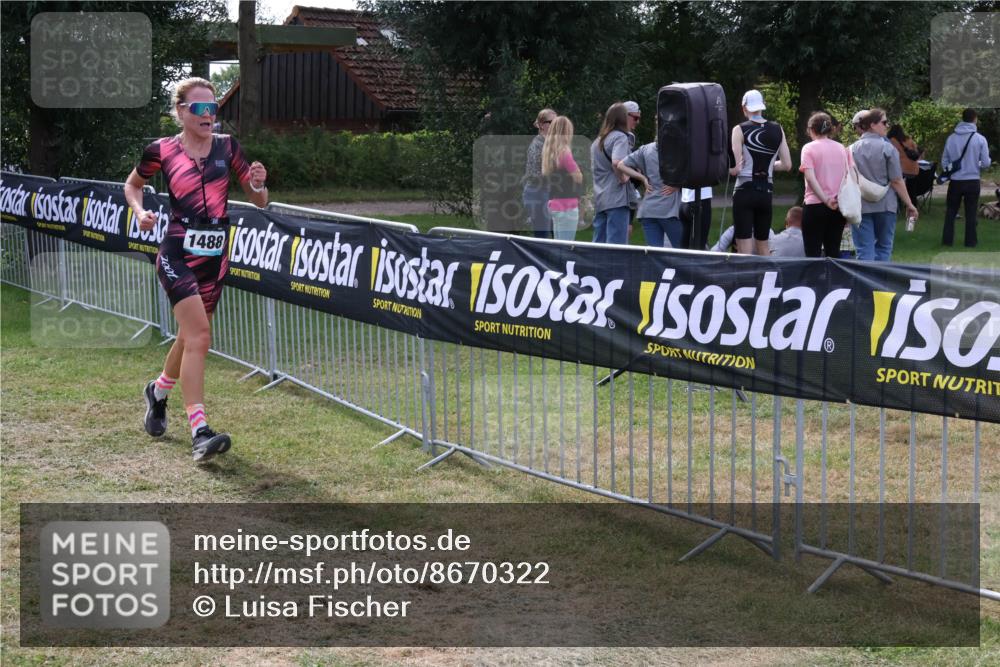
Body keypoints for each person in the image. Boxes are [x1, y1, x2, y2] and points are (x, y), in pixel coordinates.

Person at [124, 77, 268, 462]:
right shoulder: (161, 150)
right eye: (200, 109)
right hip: (177, 253)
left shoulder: (227, 147)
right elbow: (133, 185)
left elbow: (260, 202)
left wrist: (258, 185)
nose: (209, 116)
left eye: (214, 108)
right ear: (181, 112)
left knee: (189, 338)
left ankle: (158, 391)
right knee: (201, 336)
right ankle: (200, 431)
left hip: (215, 256)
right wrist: (140, 213)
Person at [729, 89, 793, 255]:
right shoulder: (778, 129)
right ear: (761, 107)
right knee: (763, 245)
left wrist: (727, 168)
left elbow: (736, 168)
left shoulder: (739, 129)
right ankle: (768, 280)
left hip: (744, 191)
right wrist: (768, 166)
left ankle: (746, 280)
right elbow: (787, 165)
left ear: (745, 108)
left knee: (744, 247)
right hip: (766, 192)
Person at [850, 108, 919, 261]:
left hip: (860, 206)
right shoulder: (888, 148)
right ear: (873, 125)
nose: (887, 126)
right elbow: (896, 180)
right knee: (884, 248)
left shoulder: (851, 150)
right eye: (884, 122)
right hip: (886, 205)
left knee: (863, 250)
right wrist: (909, 204)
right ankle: (879, 284)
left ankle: (864, 284)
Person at [799, 112, 850, 258]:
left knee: (812, 252)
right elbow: (846, 176)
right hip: (837, 205)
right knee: (833, 252)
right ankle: (833, 280)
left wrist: (825, 199)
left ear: (811, 129)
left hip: (815, 205)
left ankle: (814, 281)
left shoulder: (808, 148)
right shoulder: (841, 148)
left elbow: (810, 178)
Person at [617, 136, 682, 248]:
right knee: (683, 252)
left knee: (654, 256)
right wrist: (679, 185)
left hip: (648, 210)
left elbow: (620, 165)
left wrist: (643, 178)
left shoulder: (645, 149)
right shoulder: (677, 150)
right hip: (668, 210)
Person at [941, 108, 992, 247]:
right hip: (972, 180)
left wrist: (950, 172)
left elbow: (944, 161)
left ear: (962, 119)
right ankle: (970, 242)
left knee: (951, 211)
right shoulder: (980, 139)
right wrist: (977, 164)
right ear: (975, 119)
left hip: (956, 181)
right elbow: (986, 163)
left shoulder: (951, 138)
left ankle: (947, 240)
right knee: (971, 212)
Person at [590, 103, 632, 244]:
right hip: (616, 198)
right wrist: (623, 177)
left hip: (600, 198)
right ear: (623, 118)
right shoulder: (620, 137)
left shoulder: (597, 142)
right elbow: (616, 162)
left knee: (598, 245)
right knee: (616, 246)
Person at [542, 116, 583, 241]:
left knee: (558, 245)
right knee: (566, 246)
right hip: (567, 206)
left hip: (555, 203)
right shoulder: (564, 152)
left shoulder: (549, 152)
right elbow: (578, 177)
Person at [522, 108, 556, 239]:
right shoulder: (537, 145)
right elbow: (536, 175)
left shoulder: (549, 144)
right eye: (551, 122)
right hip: (537, 193)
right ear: (542, 125)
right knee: (542, 236)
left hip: (545, 192)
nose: (555, 126)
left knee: (555, 234)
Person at [887, 123, 923, 203]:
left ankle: (899, 205)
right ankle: (913, 207)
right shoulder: (909, 139)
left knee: (898, 189)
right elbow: (917, 152)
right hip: (914, 169)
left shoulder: (891, 140)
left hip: (901, 169)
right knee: (912, 191)